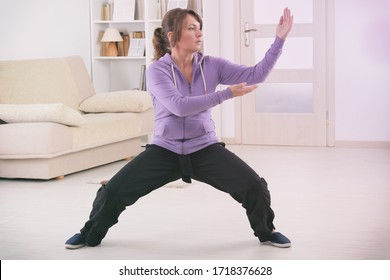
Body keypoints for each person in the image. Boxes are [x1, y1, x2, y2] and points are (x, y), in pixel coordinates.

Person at [65, 7, 293, 249]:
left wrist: (279, 40)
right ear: (172, 36)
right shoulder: (157, 70)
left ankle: (267, 232)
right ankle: (89, 232)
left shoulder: (212, 65)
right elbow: (179, 107)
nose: (199, 34)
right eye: (191, 28)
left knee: (254, 187)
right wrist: (225, 94)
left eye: (200, 28)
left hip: (204, 147)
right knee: (113, 192)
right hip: (165, 150)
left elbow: (255, 74)